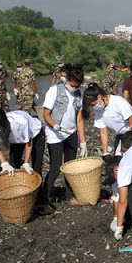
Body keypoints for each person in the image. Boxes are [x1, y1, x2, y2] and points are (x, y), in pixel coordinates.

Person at [41, 64, 88, 207]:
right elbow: (45, 114)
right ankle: (43, 198)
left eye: (76, 87)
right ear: (66, 80)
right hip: (55, 134)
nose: (73, 89)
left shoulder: (79, 94)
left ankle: (69, 194)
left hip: (71, 133)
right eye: (71, 85)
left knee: (70, 166)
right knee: (55, 167)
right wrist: (55, 125)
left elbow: (79, 119)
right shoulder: (54, 91)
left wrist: (83, 142)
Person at [83, 83, 132, 156]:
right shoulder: (98, 110)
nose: (93, 107)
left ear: (99, 97)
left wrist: (127, 143)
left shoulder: (118, 102)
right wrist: (105, 153)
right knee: (117, 157)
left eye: (93, 105)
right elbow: (103, 131)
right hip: (120, 134)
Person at [0, 107, 45, 175]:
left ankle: (37, 185)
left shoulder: (20, 122)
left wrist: (26, 163)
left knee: (36, 166)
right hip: (16, 138)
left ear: (2, 123)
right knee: (13, 164)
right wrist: (4, 163)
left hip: (34, 133)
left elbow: (29, 142)